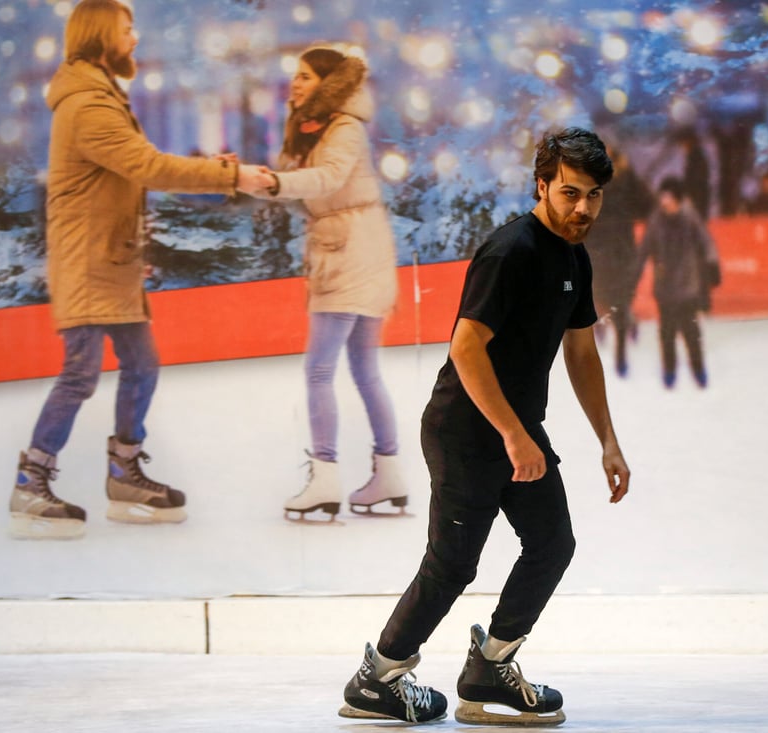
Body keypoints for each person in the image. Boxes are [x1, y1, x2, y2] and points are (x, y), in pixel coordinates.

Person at [339, 127, 631, 725]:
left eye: (594, 195)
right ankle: (379, 678)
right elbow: (466, 347)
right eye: (570, 193)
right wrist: (514, 435)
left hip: (516, 429)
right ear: (542, 185)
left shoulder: (573, 256)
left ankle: (489, 669)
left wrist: (608, 440)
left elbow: (581, 353)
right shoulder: (512, 251)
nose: (583, 208)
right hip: (466, 431)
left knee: (552, 544)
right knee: (453, 563)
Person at [9, 0, 272, 540]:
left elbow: (132, 172)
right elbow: (147, 165)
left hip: (111, 259)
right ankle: (31, 479)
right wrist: (233, 176)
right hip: (87, 261)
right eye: (127, 29)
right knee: (81, 373)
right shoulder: (86, 104)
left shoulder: (100, 94)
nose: (134, 38)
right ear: (103, 34)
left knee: (143, 363)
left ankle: (123, 471)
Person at [258, 44, 406, 521]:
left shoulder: (343, 127)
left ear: (329, 83)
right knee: (364, 369)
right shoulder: (320, 125)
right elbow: (293, 174)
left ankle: (325, 476)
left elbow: (325, 178)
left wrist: (276, 183)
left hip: (347, 254)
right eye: (295, 76)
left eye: (306, 76)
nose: (296, 83)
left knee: (320, 370)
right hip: (356, 246)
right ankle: (389, 472)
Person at [638, 177, 720, 389]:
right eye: (662, 197)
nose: (664, 202)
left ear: (678, 199)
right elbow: (644, 248)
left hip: (687, 287)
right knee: (667, 333)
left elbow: (706, 241)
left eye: (668, 198)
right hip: (665, 289)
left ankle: (699, 370)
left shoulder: (689, 217)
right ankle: (669, 371)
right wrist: (635, 273)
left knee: (691, 333)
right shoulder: (656, 220)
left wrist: (712, 265)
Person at [583, 146, 653, 377]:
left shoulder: (622, 181)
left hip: (617, 249)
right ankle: (610, 326)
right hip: (604, 249)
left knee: (618, 298)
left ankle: (621, 342)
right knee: (604, 295)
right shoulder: (594, 183)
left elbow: (646, 206)